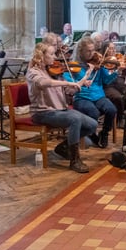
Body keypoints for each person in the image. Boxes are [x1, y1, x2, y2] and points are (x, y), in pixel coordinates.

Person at [26, 43, 97, 173]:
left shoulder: (55, 71)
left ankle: (64, 147)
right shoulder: (33, 72)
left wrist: (85, 78)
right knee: (75, 119)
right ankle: (75, 160)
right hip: (43, 113)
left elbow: (70, 91)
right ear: (42, 56)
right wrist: (67, 82)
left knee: (92, 124)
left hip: (60, 110)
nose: (55, 57)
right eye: (51, 54)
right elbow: (44, 83)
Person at [63, 37, 118, 148]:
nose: (92, 53)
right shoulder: (74, 66)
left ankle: (105, 133)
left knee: (112, 109)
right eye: (88, 51)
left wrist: (116, 71)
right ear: (80, 52)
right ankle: (92, 134)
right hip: (81, 97)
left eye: (93, 50)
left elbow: (106, 80)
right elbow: (69, 83)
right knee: (93, 113)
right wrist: (82, 81)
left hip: (98, 96)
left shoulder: (98, 64)